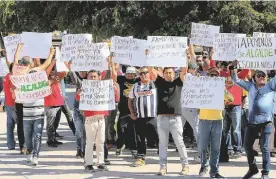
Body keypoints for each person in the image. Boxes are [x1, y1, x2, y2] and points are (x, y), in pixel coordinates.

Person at [230, 60, 275, 179]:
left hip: (266, 122)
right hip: (252, 122)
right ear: (254, 77)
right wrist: (233, 69)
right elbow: (236, 80)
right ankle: (253, 168)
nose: (261, 77)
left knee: (264, 147)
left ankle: (265, 173)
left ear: (266, 78)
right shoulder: (250, 86)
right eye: (258, 75)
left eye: (263, 75)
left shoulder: (271, 86)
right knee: (247, 146)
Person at [149, 66, 189, 176]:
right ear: (163, 73)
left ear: (174, 74)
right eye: (166, 72)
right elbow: (150, 70)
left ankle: (185, 166)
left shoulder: (178, 82)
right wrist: (148, 55)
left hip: (176, 118)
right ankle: (163, 167)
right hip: (162, 118)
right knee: (162, 144)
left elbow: (184, 70)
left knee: (179, 143)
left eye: (170, 73)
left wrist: (185, 56)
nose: (168, 74)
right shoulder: (159, 82)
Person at [197, 67, 228, 179]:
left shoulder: (221, 88)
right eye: (211, 75)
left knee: (216, 148)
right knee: (202, 146)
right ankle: (204, 166)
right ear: (208, 76)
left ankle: (214, 171)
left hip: (217, 120)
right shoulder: (202, 87)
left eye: (216, 75)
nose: (213, 77)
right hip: (204, 119)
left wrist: (224, 93)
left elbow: (231, 98)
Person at [128, 66, 158, 167]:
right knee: (140, 138)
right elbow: (130, 100)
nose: (144, 75)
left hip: (153, 116)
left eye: (146, 72)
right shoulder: (135, 86)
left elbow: (154, 71)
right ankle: (140, 157)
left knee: (158, 137)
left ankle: (163, 156)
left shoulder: (154, 83)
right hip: (140, 117)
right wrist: (132, 113)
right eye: (141, 73)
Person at [82, 70, 110, 172]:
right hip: (91, 119)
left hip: (101, 118)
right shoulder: (84, 88)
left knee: (101, 142)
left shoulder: (104, 88)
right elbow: (78, 97)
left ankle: (100, 162)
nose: (93, 78)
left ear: (99, 77)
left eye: (95, 76)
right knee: (90, 142)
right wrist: (79, 93)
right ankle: (88, 163)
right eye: (91, 77)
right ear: (87, 78)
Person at [111, 62, 139, 157]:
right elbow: (114, 75)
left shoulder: (138, 81)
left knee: (133, 131)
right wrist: (112, 63)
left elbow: (147, 74)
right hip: (123, 110)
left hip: (135, 110)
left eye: (132, 74)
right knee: (120, 129)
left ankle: (134, 149)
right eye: (128, 73)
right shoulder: (121, 79)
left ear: (135, 74)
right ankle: (120, 146)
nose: (130, 75)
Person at [19, 69, 47, 166]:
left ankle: (36, 156)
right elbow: (17, 99)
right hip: (27, 116)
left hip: (39, 115)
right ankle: (30, 152)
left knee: (37, 136)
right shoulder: (23, 87)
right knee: (27, 137)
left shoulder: (42, 86)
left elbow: (49, 91)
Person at [3, 63, 17, 150]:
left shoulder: (7, 76)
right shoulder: (13, 77)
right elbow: (14, 89)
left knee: (10, 126)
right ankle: (23, 144)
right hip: (15, 104)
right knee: (20, 125)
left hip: (9, 103)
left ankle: (10, 144)